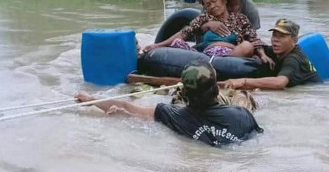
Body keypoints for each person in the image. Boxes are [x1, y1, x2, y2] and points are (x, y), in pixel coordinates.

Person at [74, 61, 263, 146]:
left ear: (184, 94)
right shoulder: (242, 115)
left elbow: (126, 108)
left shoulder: (172, 114)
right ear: (216, 89)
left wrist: (92, 100)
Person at [143, 0, 271, 61]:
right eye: (208, 4)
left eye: (215, 1)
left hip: (230, 56)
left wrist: (263, 54)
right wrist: (157, 45)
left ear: (224, 0)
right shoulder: (204, 18)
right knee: (178, 44)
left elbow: (253, 38)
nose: (212, 6)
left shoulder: (240, 19)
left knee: (247, 46)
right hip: (204, 55)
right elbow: (184, 33)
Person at [220, 19, 320, 90]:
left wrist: (243, 81)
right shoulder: (277, 51)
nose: (276, 40)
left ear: (294, 40)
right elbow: (254, 46)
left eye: (281, 36)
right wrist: (262, 55)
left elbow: (280, 83)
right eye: (274, 35)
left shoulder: (293, 59)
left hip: (310, 93)